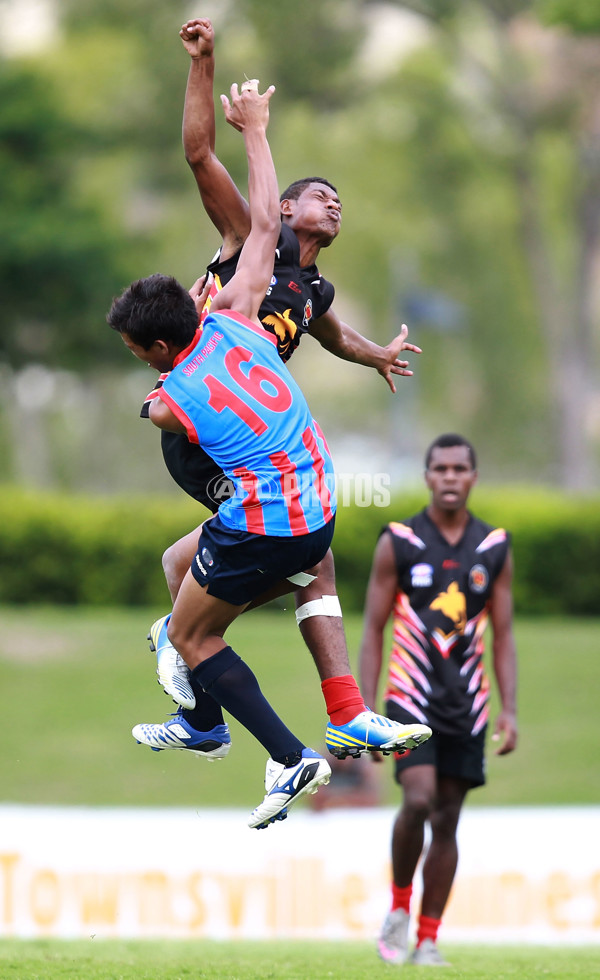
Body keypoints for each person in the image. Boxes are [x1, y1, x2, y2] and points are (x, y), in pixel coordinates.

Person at [108, 80, 431, 829]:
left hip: (254, 467)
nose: (336, 202)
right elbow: (201, 160)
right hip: (257, 464)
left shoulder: (291, 294)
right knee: (282, 564)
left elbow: (327, 335)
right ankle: (319, 711)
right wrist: (224, 90)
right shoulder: (244, 284)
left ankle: (226, 709)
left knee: (192, 589)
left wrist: (377, 353)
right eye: (320, 193)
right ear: (283, 212)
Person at [358, 433, 518, 965]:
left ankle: (427, 940)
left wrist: (510, 710)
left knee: (447, 818)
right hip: (409, 694)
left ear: (473, 477)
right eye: (440, 468)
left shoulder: (493, 546)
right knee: (419, 799)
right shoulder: (400, 540)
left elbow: (504, 634)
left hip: (467, 701)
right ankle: (399, 911)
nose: (450, 477)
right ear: (427, 476)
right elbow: (373, 629)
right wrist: (362, 713)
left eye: (460, 469)